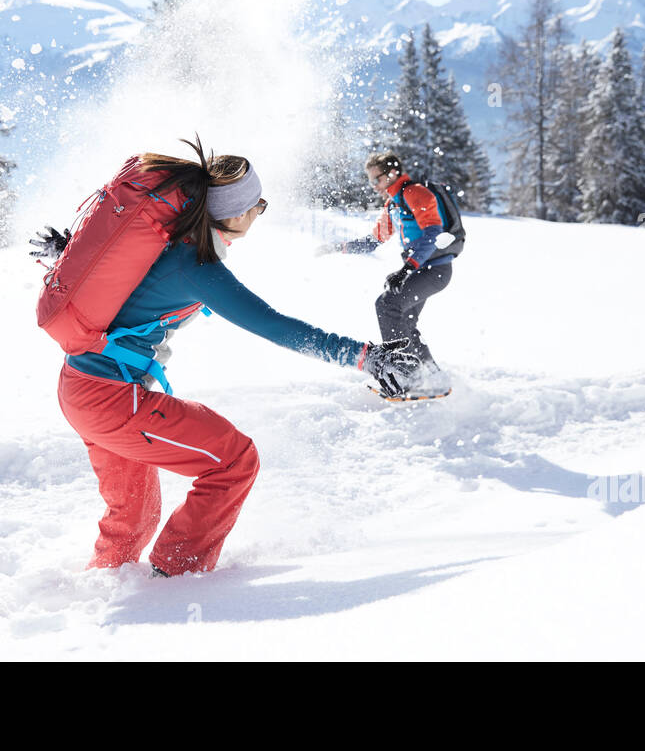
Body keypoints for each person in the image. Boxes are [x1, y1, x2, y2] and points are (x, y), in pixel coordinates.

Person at [32, 139, 417, 577]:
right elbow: (275, 326)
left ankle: (105, 583)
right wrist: (365, 356)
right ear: (234, 214)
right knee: (233, 462)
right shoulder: (195, 266)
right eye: (258, 205)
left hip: (79, 389)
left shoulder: (166, 239)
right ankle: (176, 580)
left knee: (134, 517)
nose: (259, 213)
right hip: (114, 401)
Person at [317, 151, 458, 397]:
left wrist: (406, 268)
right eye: (370, 181)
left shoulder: (414, 193)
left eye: (376, 180)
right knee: (405, 321)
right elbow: (374, 241)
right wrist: (337, 248)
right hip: (421, 269)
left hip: (435, 269)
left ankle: (404, 376)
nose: (373, 187)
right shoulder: (394, 203)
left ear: (392, 173)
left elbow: (433, 232)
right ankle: (432, 374)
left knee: (387, 305)